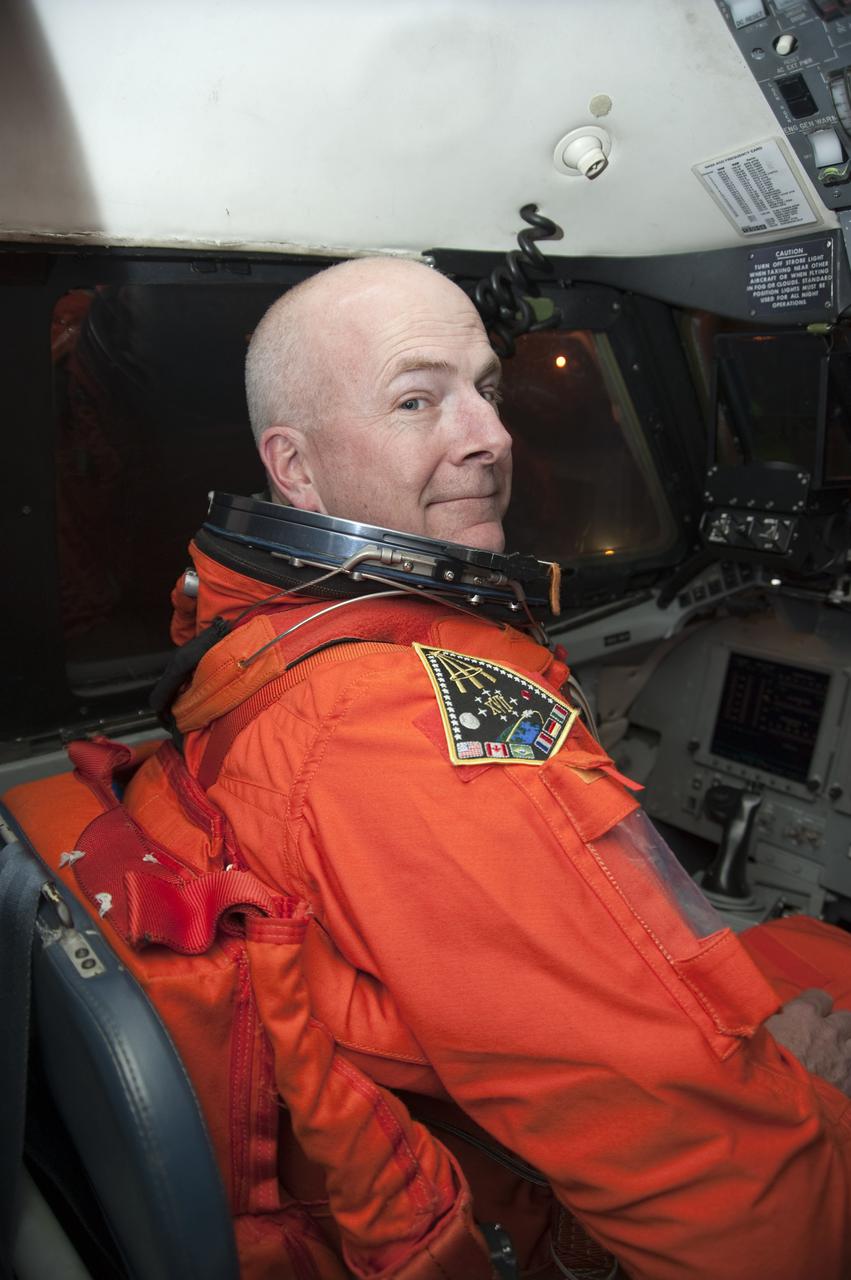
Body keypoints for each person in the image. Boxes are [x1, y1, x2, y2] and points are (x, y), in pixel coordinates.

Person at [125, 257, 851, 1279]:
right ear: (293, 467)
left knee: (806, 949)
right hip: (523, 1191)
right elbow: (720, 1195)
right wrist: (810, 1089)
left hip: (450, 1098)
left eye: (486, 387)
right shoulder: (404, 723)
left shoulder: (260, 638)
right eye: (416, 399)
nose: (490, 437)